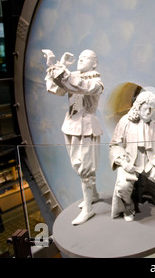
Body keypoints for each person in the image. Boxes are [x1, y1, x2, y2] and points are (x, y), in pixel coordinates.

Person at [44, 49, 103, 225]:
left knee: (84, 167)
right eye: (81, 56)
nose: (81, 59)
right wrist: (54, 66)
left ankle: (88, 208)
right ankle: (93, 195)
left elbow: (75, 85)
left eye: (86, 58)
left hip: (86, 127)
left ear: (94, 63)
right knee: (78, 165)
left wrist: (59, 67)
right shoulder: (73, 77)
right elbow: (55, 88)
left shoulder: (96, 82)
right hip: (71, 126)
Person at [109, 91, 155, 234]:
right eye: (146, 108)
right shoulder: (125, 121)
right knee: (122, 186)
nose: (149, 112)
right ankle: (128, 206)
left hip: (153, 162)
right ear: (138, 106)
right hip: (131, 162)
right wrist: (123, 162)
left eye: (152, 108)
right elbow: (114, 145)